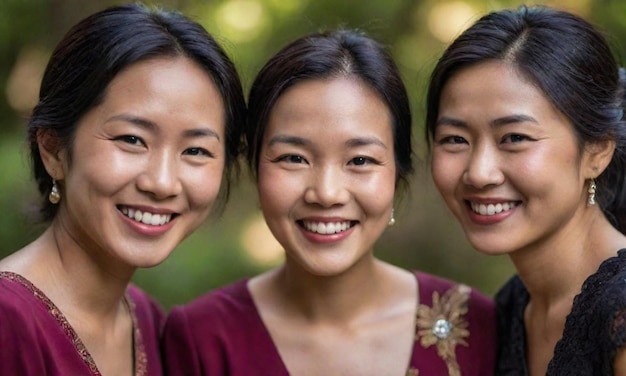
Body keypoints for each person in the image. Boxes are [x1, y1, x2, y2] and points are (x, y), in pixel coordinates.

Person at [162, 29, 497, 376]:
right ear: (255, 172)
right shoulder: (199, 338)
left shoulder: (476, 325)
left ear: (398, 175)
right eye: (294, 158)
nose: (326, 193)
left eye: (360, 160)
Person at [0, 3, 245, 375]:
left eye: (195, 150)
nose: (162, 182)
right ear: (53, 150)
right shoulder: (8, 321)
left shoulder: (146, 320)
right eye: (132, 139)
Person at [426, 4, 626, 375]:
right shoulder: (510, 308)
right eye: (454, 139)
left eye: (515, 137)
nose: (479, 173)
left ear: (597, 151)